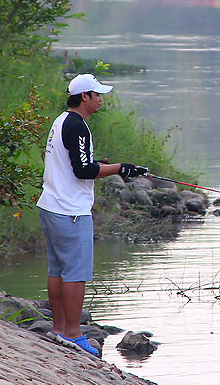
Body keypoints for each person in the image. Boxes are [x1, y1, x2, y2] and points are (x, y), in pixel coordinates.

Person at [37, 73, 146, 356]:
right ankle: (73, 334)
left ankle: (59, 330)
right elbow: (83, 170)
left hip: (51, 205)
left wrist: (104, 165)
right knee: (75, 273)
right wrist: (121, 168)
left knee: (58, 269)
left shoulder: (62, 120)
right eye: (97, 95)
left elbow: (78, 161)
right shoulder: (78, 126)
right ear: (84, 96)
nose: (100, 99)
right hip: (70, 210)